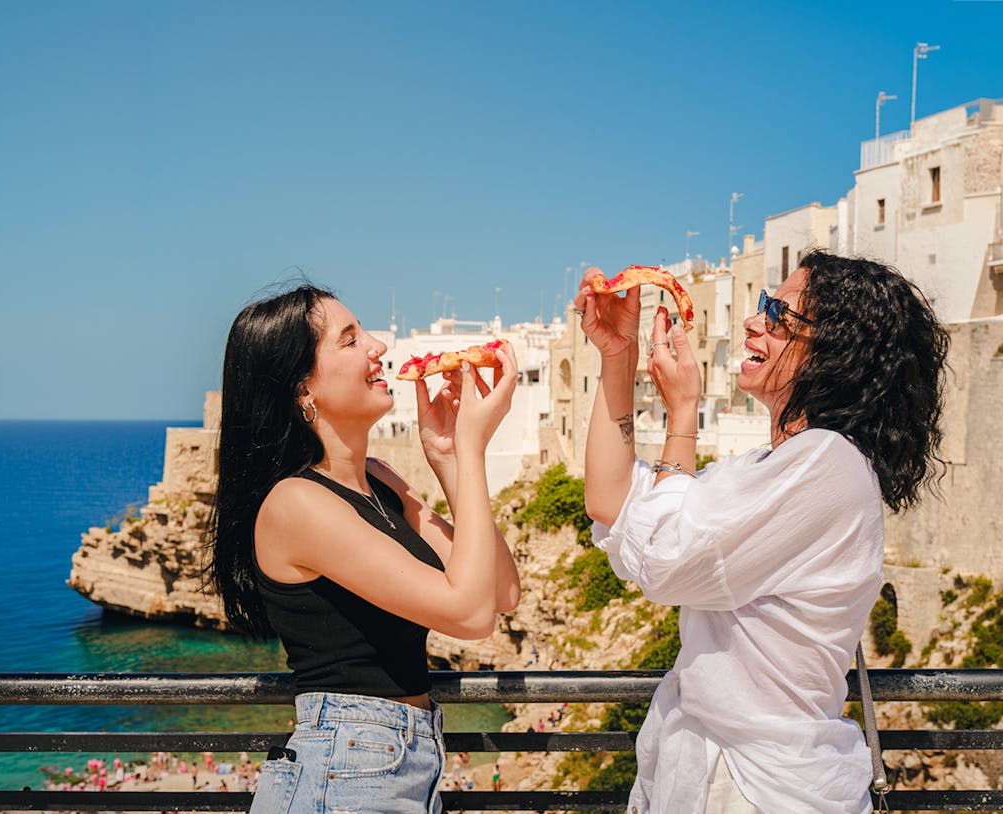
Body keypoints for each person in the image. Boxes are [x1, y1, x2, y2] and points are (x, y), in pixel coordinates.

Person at [576, 251, 948, 813]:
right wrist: (617, 355)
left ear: (834, 352)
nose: (755, 322)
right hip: (716, 771)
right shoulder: (765, 468)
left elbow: (665, 560)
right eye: (762, 306)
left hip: (757, 787)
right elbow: (611, 500)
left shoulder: (827, 463)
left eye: (778, 313)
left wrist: (683, 417)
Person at [207, 284, 522, 814]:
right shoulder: (296, 503)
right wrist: (470, 446)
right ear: (302, 387)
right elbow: (470, 616)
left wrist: (447, 459)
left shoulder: (381, 483)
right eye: (350, 340)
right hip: (346, 771)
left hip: (393, 765)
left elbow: (501, 591)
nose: (376, 344)